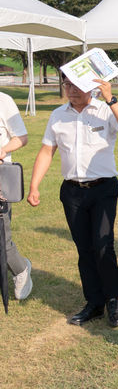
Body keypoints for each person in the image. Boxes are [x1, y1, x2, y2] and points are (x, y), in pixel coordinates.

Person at [27, 77, 118, 326]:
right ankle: (94, 303)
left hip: (103, 188)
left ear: (90, 87)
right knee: (84, 249)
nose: (71, 90)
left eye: (76, 85)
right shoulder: (57, 115)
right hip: (72, 191)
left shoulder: (105, 110)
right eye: (67, 85)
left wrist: (111, 98)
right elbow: (46, 151)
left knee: (103, 246)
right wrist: (34, 185)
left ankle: (113, 300)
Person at [0, 92, 32, 302]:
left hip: (1, 176)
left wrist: (1, 150)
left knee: (1, 237)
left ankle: (20, 270)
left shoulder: (4, 101)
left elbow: (21, 137)